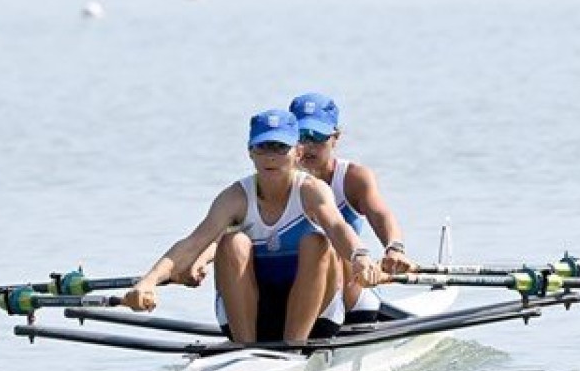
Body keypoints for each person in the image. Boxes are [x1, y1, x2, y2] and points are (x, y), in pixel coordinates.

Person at [121, 109, 384, 343]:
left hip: (315, 319)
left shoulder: (312, 192)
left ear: (297, 152)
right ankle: (245, 349)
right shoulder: (233, 198)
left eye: (280, 147)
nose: (271, 157)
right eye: (263, 147)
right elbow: (192, 244)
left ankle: (293, 348)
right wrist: (149, 281)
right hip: (251, 318)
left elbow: (338, 228)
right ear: (250, 152)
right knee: (232, 242)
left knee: (318, 242)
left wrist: (360, 256)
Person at [290, 93, 413, 323]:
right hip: (293, 291)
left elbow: (381, 215)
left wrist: (394, 248)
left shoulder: (354, 178)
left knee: (327, 243)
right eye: (301, 136)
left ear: (335, 138)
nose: (308, 147)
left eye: (317, 136)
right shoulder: (276, 180)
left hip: (350, 296)